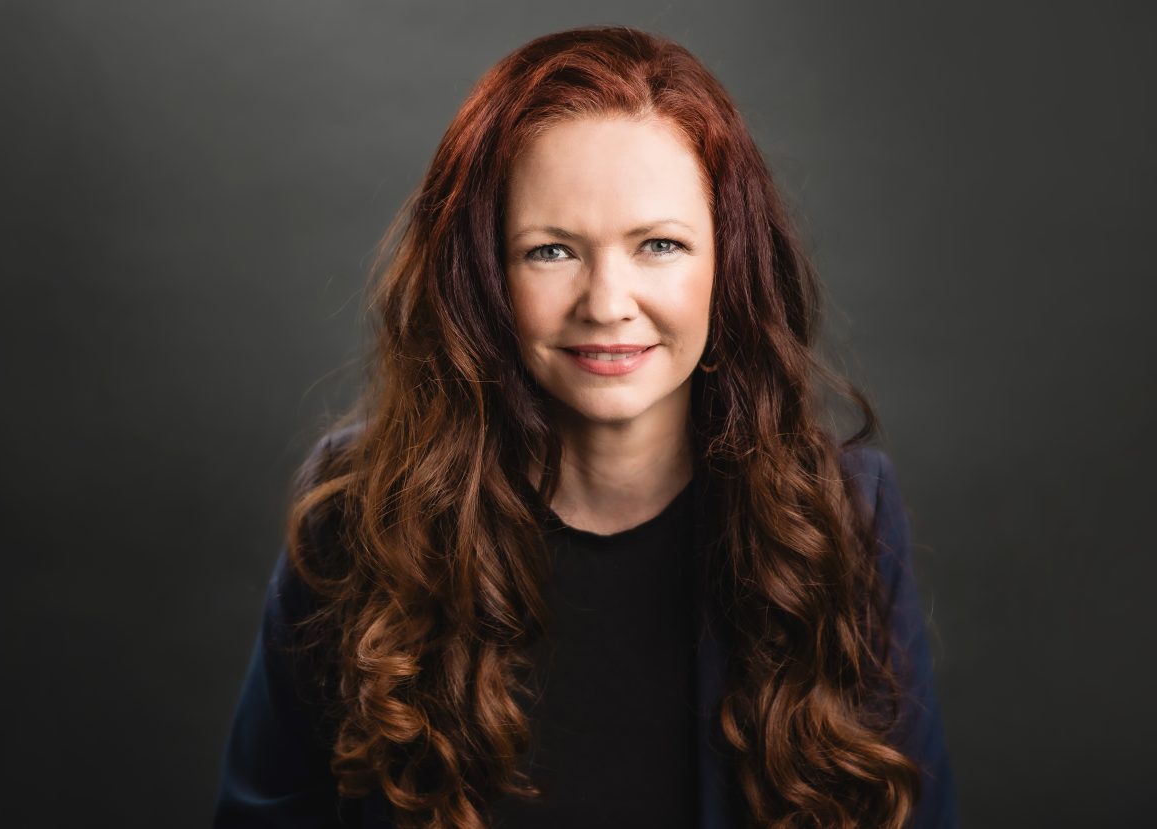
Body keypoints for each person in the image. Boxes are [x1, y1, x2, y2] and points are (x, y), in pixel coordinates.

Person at [213, 24, 956, 829]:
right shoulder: (355, 518)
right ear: (483, 274)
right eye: (552, 251)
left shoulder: (842, 517)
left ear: (727, 265)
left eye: (660, 245)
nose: (607, 303)